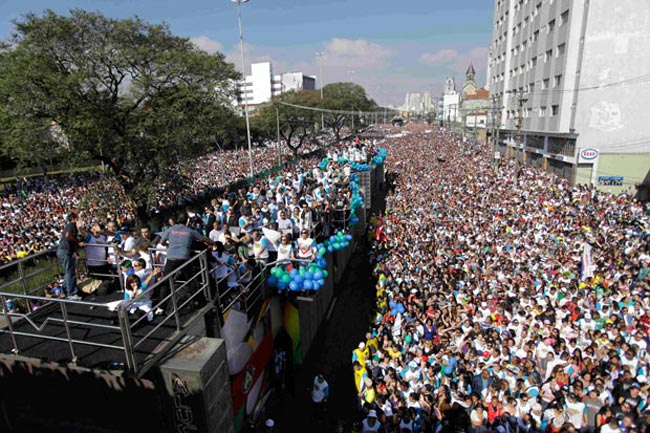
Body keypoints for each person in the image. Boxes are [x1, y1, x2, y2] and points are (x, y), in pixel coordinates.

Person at [155, 212, 212, 315]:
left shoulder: (170, 229)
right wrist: (213, 243)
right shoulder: (190, 231)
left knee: (166, 282)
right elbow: (204, 239)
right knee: (190, 280)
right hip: (184, 258)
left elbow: (162, 242)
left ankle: (160, 307)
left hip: (171, 258)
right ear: (187, 221)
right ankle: (200, 301)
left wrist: (169, 245)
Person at [56, 213, 85, 300]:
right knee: (70, 272)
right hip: (65, 251)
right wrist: (78, 242)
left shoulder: (71, 226)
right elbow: (68, 236)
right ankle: (71, 293)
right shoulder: (71, 225)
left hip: (65, 251)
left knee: (68, 271)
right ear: (74, 218)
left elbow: (71, 242)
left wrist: (76, 253)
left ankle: (65, 290)